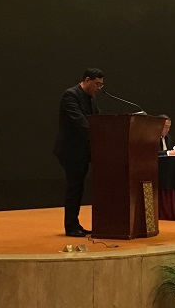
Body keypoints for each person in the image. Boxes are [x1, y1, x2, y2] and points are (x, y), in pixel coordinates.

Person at [54, 68, 104, 237]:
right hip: (71, 151)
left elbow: (98, 119)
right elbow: (81, 123)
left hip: (85, 150)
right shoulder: (70, 96)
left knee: (78, 188)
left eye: (101, 85)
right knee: (74, 188)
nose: (98, 88)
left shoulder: (91, 98)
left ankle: (76, 224)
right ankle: (71, 226)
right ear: (87, 80)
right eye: (97, 84)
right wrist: (99, 134)